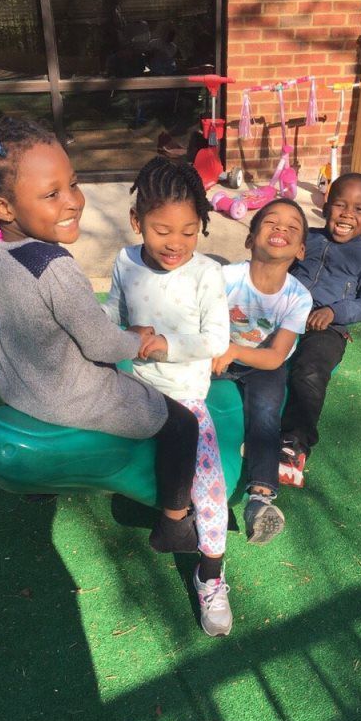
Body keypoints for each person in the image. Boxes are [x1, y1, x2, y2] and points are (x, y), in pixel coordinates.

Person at [0, 116, 201, 554]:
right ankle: (174, 525)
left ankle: (39, 481)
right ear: (4, 207)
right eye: (51, 194)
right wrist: (136, 338)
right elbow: (100, 344)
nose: (73, 201)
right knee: (181, 424)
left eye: (72, 184)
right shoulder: (54, 266)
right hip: (66, 396)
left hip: (16, 384)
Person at [102, 156, 233, 637]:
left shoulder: (205, 274)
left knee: (211, 491)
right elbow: (111, 315)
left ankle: (211, 575)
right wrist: (119, 333)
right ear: (137, 222)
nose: (175, 243)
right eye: (161, 230)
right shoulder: (124, 261)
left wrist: (167, 346)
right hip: (133, 391)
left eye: (188, 231)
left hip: (185, 399)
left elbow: (217, 340)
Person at [212, 199, 313, 545]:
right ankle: (192, 484)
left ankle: (260, 499)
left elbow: (274, 357)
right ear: (250, 238)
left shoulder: (298, 297)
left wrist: (236, 351)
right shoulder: (224, 278)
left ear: (300, 250)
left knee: (267, 414)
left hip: (261, 365)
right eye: (271, 222)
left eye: (292, 227)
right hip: (218, 353)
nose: (280, 228)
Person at [279, 172, 361, 488]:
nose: (347, 215)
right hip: (285, 315)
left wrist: (334, 311)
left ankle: (293, 444)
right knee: (250, 355)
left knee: (308, 372)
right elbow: (275, 266)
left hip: (327, 330)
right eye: (340, 205)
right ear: (326, 207)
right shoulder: (307, 239)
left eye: (358, 209)